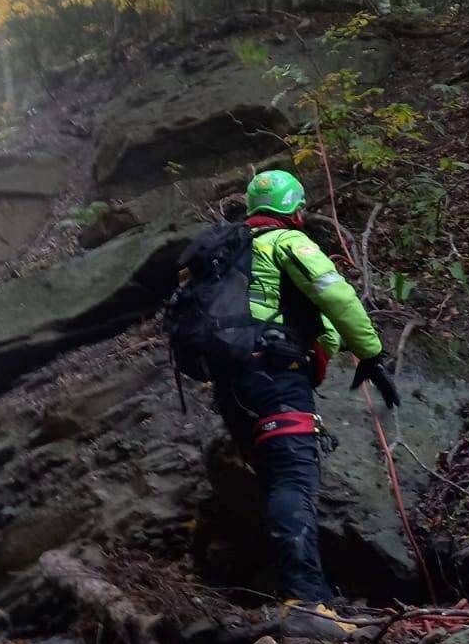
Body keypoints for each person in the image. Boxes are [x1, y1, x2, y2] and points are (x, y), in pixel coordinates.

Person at [167, 169, 399, 606]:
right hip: (275, 377)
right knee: (293, 479)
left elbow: (310, 321)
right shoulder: (287, 242)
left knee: (278, 481)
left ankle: (303, 592)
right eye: (302, 207)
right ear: (293, 209)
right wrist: (370, 353)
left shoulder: (231, 254)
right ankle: (307, 602)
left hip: (232, 388)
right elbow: (338, 297)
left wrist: (330, 347)